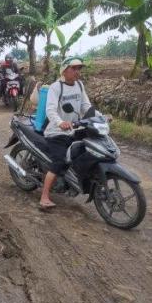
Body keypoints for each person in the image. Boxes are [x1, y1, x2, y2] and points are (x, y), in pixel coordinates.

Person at [39, 57, 104, 209]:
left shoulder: (79, 85)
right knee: (59, 161)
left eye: (79, 69)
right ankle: (44, 197)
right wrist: (60, 123)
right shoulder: (56, 87)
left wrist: (101, 116)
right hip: (56, 132)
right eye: (73, 68)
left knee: (89, 150)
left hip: (75, 128)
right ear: (64, 70)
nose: (77, 72)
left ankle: (75, 180)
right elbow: (50, 109)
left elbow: (86, 106)